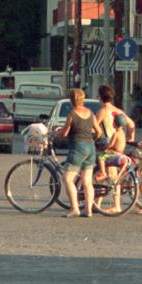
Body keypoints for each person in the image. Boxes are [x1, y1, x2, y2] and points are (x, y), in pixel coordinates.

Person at [56, 88, 102, 218]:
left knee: (68, 178)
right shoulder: (90, 113)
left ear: (71, 100)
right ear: (83, 99)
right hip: (90, 147)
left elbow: (65, 133)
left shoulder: (72, 114)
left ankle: (75, 208)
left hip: (77, 147)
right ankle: (88, 210)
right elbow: (99, 132)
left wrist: (58, 132)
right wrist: (91, 140)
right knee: (87, 181)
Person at [95, 113, 131, 212]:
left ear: (114, 123)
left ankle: (116, 206)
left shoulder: (116, 133)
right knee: (109, 181)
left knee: (101, 158)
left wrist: (104, 148)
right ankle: (96, 204)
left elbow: (110, 144)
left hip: (115, 155)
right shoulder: (122, 133)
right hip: (120, 154)